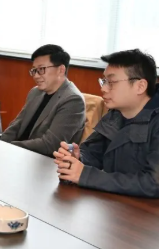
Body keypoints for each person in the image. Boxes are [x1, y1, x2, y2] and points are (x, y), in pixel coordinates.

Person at [54, 49, 159, 198]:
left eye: (111, 82)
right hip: (115, 205)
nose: (103, 88)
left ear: (140, 86)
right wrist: (78, 159)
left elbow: (153, 183)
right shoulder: (116, 114)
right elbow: (93, 153)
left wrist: (86, 175)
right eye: (104, 81)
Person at [1, 45, 85, 157]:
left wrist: (10, 147)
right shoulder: (35, 92)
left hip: (43, 161)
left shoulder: (73, 101)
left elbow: (50, 144)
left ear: (61, 70)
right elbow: (16, 126)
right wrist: (0, 144)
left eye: (41, 69)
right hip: (18, 154)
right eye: (34, 70)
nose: (36, 76)